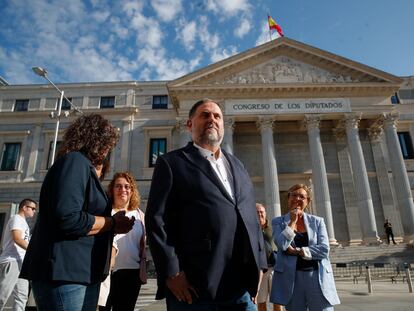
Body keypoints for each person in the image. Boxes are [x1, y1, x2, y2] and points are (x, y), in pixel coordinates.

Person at [145, 98, 267, 311]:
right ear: (189, 124)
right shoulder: (172, 163)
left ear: (223, 124)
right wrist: (171, 272)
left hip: (240, 287)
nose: (212, 119)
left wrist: (260, 264)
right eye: (205, 115)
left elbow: (250, 218)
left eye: (217, 116)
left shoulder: (238, 165)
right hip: (195, 285)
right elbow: (157, 219)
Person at [20, 114, 135, 311]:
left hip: (80, 273)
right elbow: (68, 218)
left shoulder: (81, 166)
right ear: (95, 139)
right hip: (65, 274)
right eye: (107, 142)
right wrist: (112, 223)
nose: (108, 150)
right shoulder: (75, 161)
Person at [270, 184, 340, 311]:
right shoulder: (278, 222)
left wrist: (298, 251)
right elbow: (282, 244)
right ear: (288, 199)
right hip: (292, 280)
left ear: (307, 201)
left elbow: (324, 249)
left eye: (302, 196)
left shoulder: (318, 221)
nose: (297, 198)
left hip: (317, 278)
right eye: (294, 195)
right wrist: (292, 222)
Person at [104, 172, 147, 311]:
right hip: (105, 273)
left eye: (127, 187)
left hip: (132, 273)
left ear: (132, 190)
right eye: (118, 186)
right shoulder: (104, 212)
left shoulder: (140, 216)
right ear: (112, 189)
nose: (123, 190)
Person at [0, 199, 37, 311]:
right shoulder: (16, 218)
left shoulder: (24, 222)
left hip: (21, 262)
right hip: (12, 261)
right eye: (33, 208)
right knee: (3, 294)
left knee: (22, 296)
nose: (34, 211)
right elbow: (17, 238)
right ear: (24, 208)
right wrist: (33, 251)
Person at [256, 203, 282, 311]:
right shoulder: (251, 229)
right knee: (261, 302)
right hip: (260, 271)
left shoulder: (273, 229)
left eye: (261, 212)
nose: (260, 214)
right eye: (257, 212)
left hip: (274, 269)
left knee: (277, 301)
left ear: (265, 213)